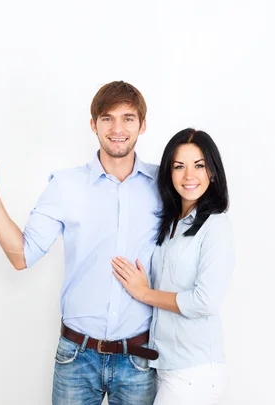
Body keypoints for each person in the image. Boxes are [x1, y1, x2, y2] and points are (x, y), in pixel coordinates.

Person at [0, 81, 161, 405]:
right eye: (107, 118)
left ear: (143, 124)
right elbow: (21, 256)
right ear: (93, 124)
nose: (118, 128)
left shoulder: (163, 184)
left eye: (128, 117)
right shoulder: (66, 185)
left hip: (139, 359)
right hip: (76, 358)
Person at [111, 128, 235, 405]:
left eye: (199, 166)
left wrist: (144, 293)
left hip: (194, 369)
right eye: (179, 166)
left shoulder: (216, 226)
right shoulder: (171, 223)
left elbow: (204, 301)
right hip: (161, 364)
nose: (189, 176)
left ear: (212, 172)